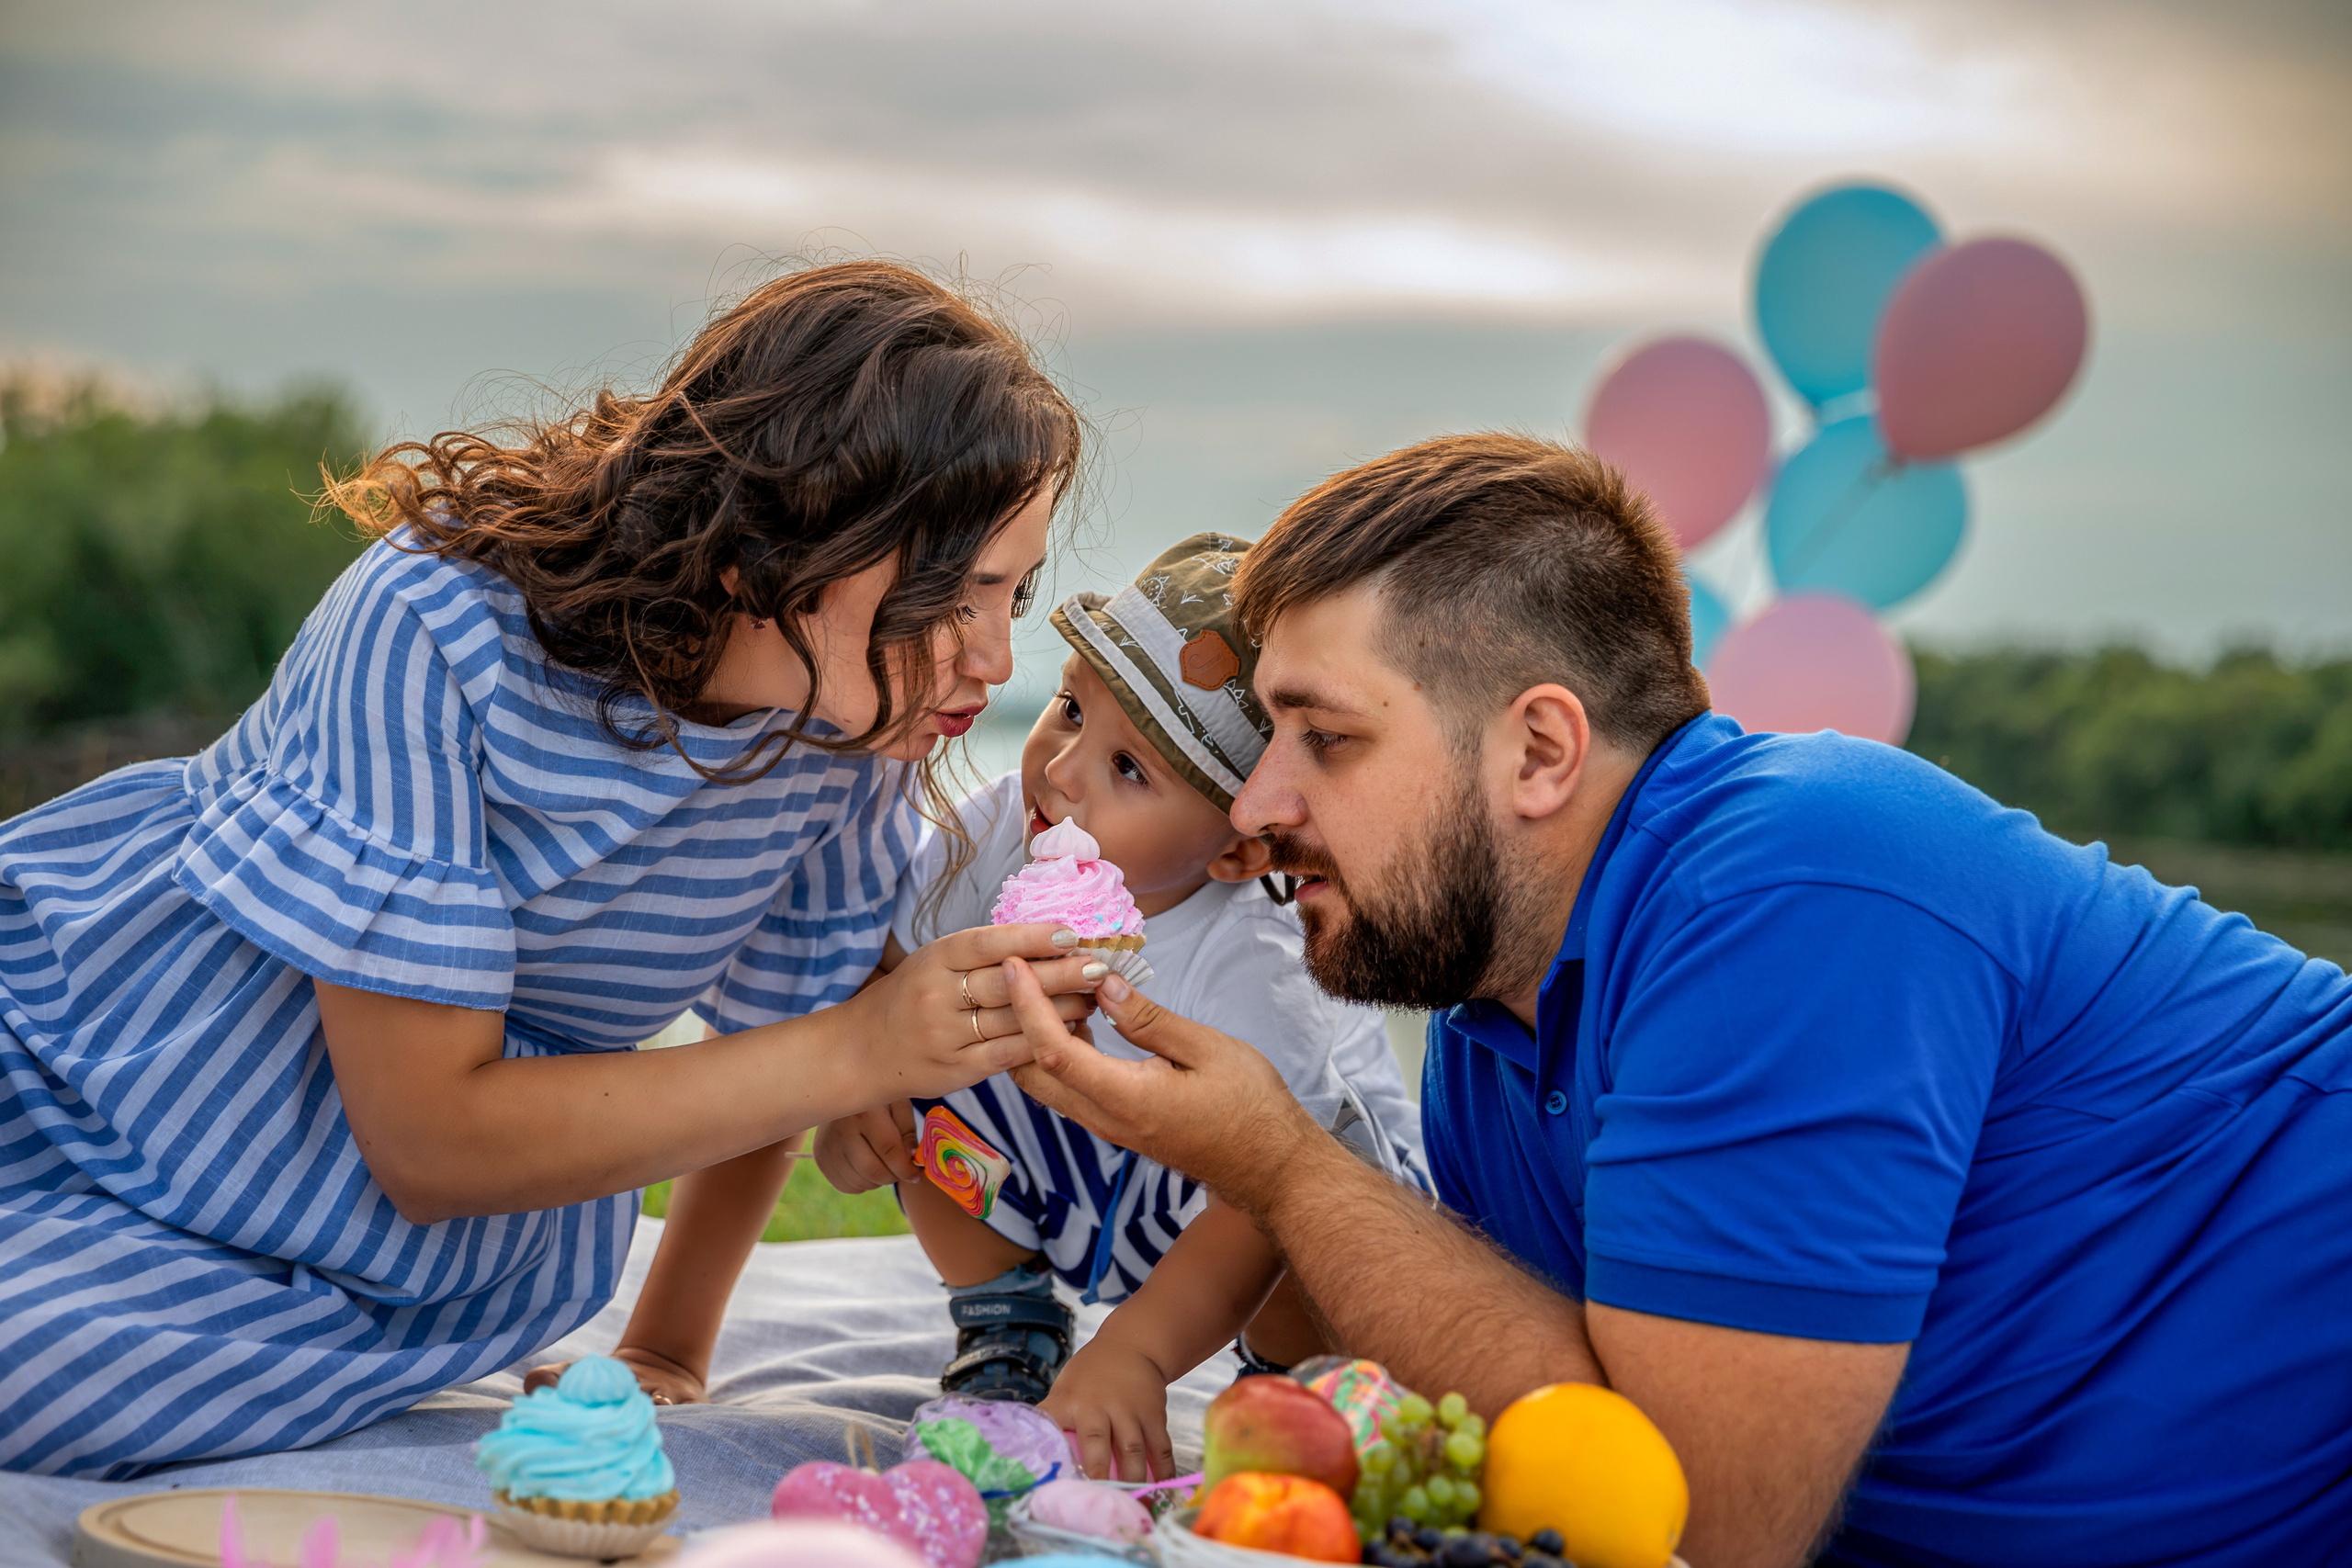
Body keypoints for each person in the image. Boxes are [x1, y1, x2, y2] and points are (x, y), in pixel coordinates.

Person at [999, 434, 2352, 1568]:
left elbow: (1695, 1519)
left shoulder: (1798, 876)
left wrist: (1285, 1164)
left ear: (1540, 748)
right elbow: (1554, 1419)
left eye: (1328, 737)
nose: (1257, 805)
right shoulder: (1489, 1018)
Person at [0, 262, 1111, 1479]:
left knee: (100, 1387)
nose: (996, 660)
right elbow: (427, 1139)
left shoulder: (842, 728)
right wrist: (863, 1047)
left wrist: (671, 1344)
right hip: (103, 1089)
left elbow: (784, 1045)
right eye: (961, 591)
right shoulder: (434, 629)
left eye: (1017, 590)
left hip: (379, 1259)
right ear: (776, 552)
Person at [544, 535, 1426, 1485]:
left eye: (1130, 770)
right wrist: (856, 1111)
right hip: (1074, 1163)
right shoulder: (993, 834)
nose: (1062, 770)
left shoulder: (1257, 964)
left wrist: (1136, 1352)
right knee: (924, 1058)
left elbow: (1264, 1194)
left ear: (1238, 852)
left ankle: (1286, 1385)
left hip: (1230, 1202)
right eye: (1070, 709)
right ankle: (1007, 1312)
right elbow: (871, 999)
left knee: (1302, 1224)